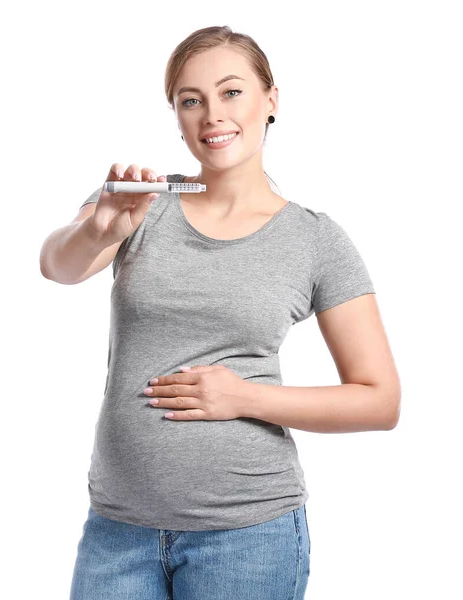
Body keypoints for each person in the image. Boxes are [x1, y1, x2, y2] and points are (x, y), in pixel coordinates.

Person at [41, 25, 400, 600]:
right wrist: (100, 229)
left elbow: (380, 400)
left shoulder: (315, 240)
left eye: (231, 92)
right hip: (117, 530)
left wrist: (244, 397)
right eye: (191, 100)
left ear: (271, 101)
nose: (212, 114)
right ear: (177, 115)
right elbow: (57, 265)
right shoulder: (142, 198)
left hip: (248, 537)